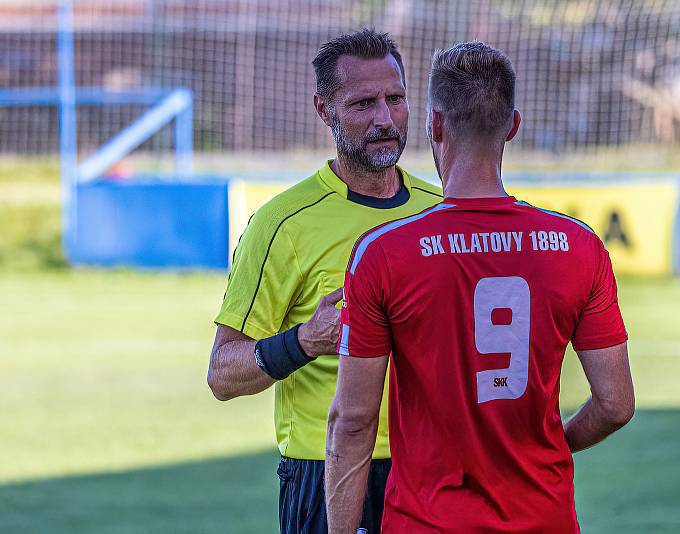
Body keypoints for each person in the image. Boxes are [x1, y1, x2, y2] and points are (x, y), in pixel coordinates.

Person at [325, 41, 635, 533]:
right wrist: (554, 444)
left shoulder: (383, 253)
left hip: (426, 522)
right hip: (545, 519)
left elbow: (353, 421)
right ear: (512, 124)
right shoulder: (579, 247)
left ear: (435, 124)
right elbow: (616, 405)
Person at [207, 29, 442, 533]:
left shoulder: (438, 210)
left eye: (395, 99)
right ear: (323, 109)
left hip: (431, 467)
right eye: (362, 103)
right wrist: (304, 340)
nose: (384, 118)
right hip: (326, 470)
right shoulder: (282, 224)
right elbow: (222, 374)